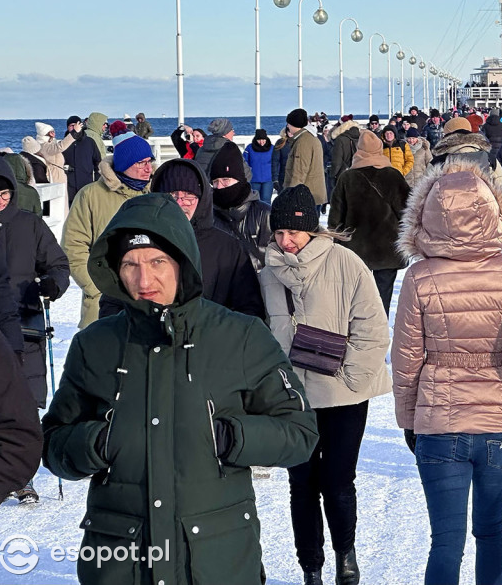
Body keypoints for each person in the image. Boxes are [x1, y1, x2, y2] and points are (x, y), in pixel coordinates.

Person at [42, 193, 318, 584]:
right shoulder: (95, 344)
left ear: (182, 262)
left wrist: (229, 436)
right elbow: (53, 443)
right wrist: (97, 443)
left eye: (157, 262)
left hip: (216, 560)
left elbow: (299, 433)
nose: (144, 279)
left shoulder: (241, 336)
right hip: (120, 559)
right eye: (129, 265)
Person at [392, 161, 502, 585]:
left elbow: (407, 359)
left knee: (445, 539)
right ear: (493, 213)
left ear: (426, 216)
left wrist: (409, 420)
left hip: (439, 421)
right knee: (492, 530)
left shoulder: (419, 277)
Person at [261, 185, 390, 585]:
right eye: (279, 233)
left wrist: (351, 379)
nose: (286, 242)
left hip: (342, 395)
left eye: (294, 233)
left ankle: (345, 556)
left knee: (336, 481)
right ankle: (310, 567)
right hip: (293, 397)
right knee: (301, 484)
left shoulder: (347, 264)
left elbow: (372, 328)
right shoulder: (267, 273)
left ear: (312, 231)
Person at [0, 156, 69, 502]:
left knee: (24, 400)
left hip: (25, 320)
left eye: (5, 193)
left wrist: (53, 283)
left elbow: (58, 263)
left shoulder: (29, 224)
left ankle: (23, 475)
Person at [150, 158, 266, 320]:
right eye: (172, 195)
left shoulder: (229, 248)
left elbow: (249, 308)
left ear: (201, 199)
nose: (180, 203)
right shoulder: (141, 243)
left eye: (189, 195)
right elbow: (115, 304)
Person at [62, 133, 154, 328]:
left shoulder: (155, 194)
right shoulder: (91, 195)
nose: (148, 168)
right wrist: (95, 287)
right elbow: (73, 247)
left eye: (150, 161)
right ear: (124, 164)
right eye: (141, 163)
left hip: (149, 300)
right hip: (102, 305)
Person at [328, 131, 410, 315]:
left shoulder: (347, 178)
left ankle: (359, 333)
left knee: (357, 299)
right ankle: (380, 332)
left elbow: (336, 217)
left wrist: (335, 243)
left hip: (356, 249)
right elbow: (407, 212)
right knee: (383, 298)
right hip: (387, 248)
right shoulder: (393, 175)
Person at [0, 268, 43, 515]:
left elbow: (16, 436)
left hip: (15, 328)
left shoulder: (30, 226)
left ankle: (23, 483)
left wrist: (53, 282)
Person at [210, 143, 273, 273]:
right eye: (215, 182)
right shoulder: (207, 216)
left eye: (225, 180)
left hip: (258, 287)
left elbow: (275, 259)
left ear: (239, 180)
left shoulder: (264, 214)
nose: (220, 187)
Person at [285, 108, 328, 211]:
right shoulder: (311, 138)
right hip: (312, 193)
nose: (287, 126)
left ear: (294, 124)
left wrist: (291, 195)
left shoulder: (303, 142)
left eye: (289, 124)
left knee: (303, 226)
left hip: (305, 196)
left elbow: (299, 171)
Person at [62, 115, 101, 203]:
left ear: (81, 126)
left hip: (86, 183)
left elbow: (98, 162)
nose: (74, 128)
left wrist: (97, 180)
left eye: (76, 125)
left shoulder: (89, 142)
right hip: (69, 184)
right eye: (71, 126)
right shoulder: (63, 143)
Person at [244, 128, 274, 204]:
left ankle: (267, 216)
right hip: (254, 179)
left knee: (266, 201)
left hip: (268, 180)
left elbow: (276, 163)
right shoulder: (249, 148)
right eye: (259, 140)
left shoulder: (272, 148)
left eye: (263, 140)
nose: (261, 142)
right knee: (254, 201)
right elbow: (244, 162)